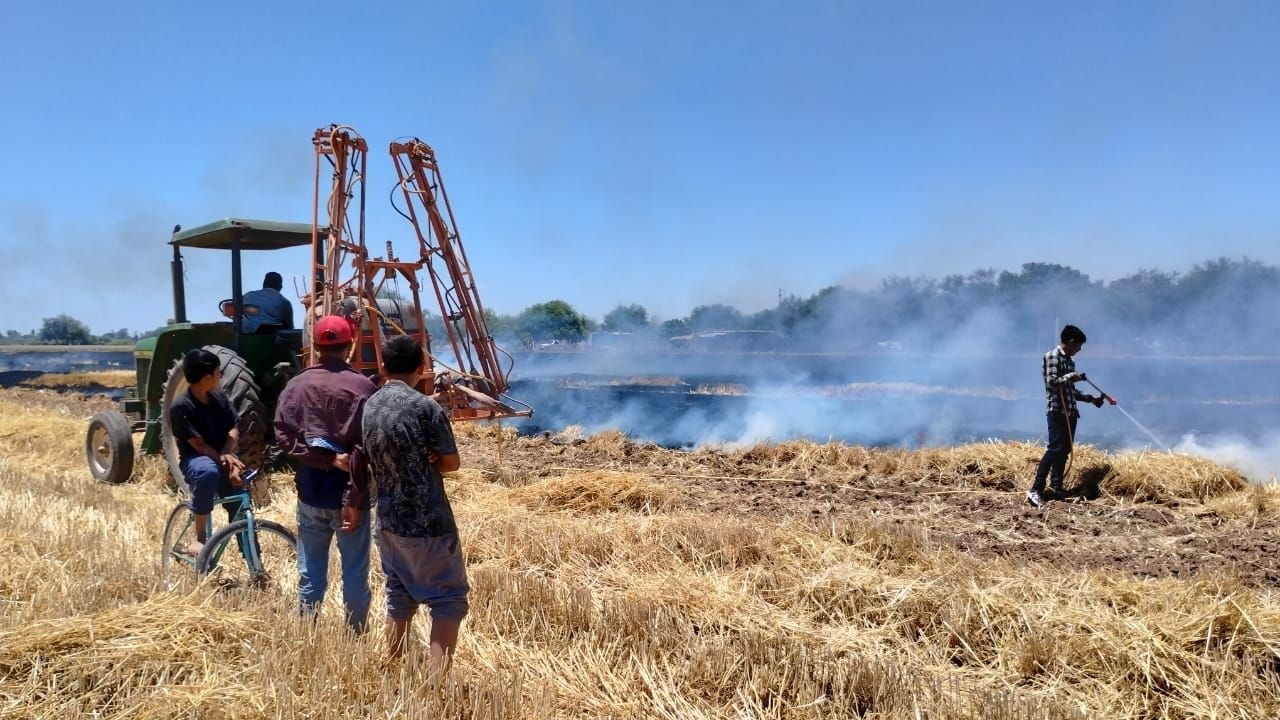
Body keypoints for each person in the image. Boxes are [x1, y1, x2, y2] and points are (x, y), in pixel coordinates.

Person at [362, 334, 468, 664]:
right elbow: (451, 463)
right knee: (447, 600)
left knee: (399, 594)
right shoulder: (426, 407)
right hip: (428, 522)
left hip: (388, 520)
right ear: (422, 368)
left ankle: (392, 666)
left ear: (383, 366)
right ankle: (437, 690)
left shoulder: (370, 405)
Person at [273, 315, 377, 632]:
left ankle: (308, 637)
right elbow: (367, 446)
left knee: (310, 571)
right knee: (355, 573)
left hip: (311, 493)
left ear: (316, 346)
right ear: (350, 345)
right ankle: (356, 637)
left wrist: (322, 459)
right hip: (351, 499)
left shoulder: (296, 385)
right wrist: (340, 468)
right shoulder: (364, 387)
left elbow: (282, 435)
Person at [169, 348, 245, 554]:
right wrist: (223, 458)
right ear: (206, 377)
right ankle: (200, 535)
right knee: (208, 472)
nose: (220, 376)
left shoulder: (218, 397)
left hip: (221, 453)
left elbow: (234, 426)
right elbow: (199, 445)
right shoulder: (181, 407)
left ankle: (251, 555)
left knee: (241, 495)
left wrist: (228, 453)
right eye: (218, 372)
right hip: (197, 457)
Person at [1027, 324, 1106, 508]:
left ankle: (1057, 487)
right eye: (1078, 345)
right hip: (1056, 410)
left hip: (1070, 412)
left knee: (1064, 451)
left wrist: (1091, 399)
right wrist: (1070, 377)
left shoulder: (1069, 361)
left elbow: (1070, 391)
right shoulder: (1052, 357)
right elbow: (1052, 383)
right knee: (1055, 449)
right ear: (1070, 342)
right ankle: (1036, 489)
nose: (1079, 349)